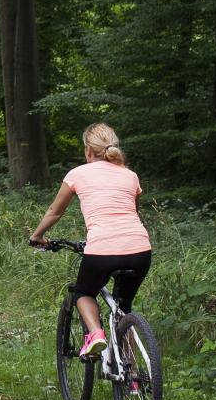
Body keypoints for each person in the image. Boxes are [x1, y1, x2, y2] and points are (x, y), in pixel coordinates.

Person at [28, 122, 151, 358]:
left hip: (102, 250)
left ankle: (95, 334)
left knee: (83, 293)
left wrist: (37, 236)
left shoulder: (77, 174)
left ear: (87, 150)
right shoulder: (130, 175)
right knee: (123, 309)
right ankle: (134, 380)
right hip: (140, 250)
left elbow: (55, 211)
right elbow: (132, 212)